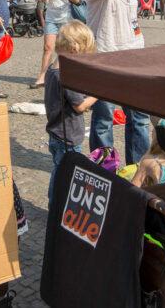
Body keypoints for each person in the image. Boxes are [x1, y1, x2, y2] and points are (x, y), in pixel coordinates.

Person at [86, 0, 151, 165]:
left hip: (131, 57)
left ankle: (137, 169)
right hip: (105, 57)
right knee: (104, 118)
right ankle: (105, 168)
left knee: (140, 118)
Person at [44, 20, 97, 204]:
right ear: (75, 49)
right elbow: (80, 106)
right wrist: (99, 94)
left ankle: (56, 203)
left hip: (56, 132)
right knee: (64, 173)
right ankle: (56, 205)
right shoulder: (66, 76)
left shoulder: (53, 68)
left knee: (59, 169)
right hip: (68, 137)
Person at [31, 0, 81, 88]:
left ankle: (65, 74)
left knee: (68, 49)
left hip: (67, 18)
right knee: (48, 47)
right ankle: (42, 77)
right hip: (52, 17)